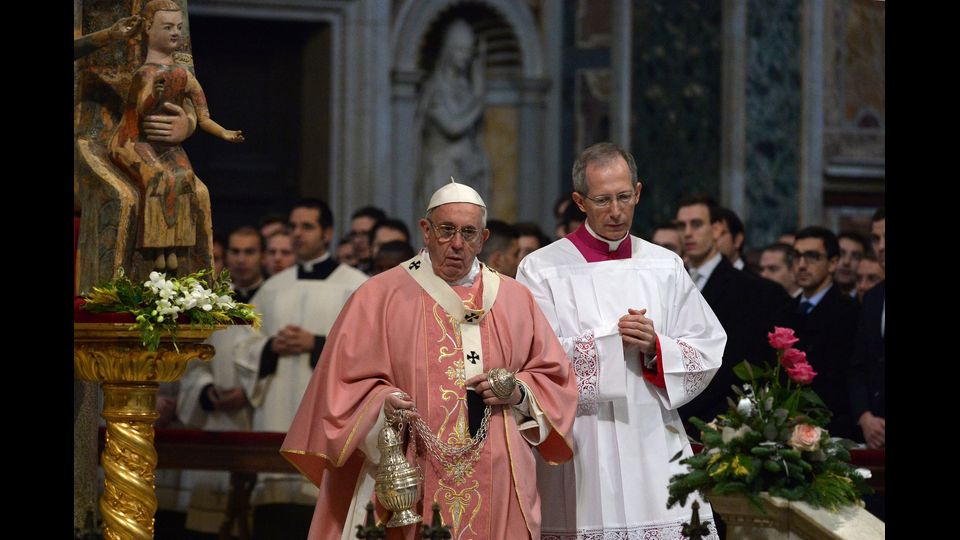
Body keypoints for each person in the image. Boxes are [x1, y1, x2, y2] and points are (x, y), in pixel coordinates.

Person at [282, 180, 577, 539]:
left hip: (499, 472)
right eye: (446, 230)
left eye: (469, 233)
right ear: (425, 230)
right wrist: (380, 402)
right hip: (410, 469)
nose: (457, 244)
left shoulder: (515, 299)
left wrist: (517, 392)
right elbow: (341, 386)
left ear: (483, 239)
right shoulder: (380, 296)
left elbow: (554, 379)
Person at [516, 143, 725, 539]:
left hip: (651, 433)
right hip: (581, 439)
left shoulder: (664, 265)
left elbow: (707, 345)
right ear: (579, 201)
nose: (616, 211)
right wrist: (610, 343)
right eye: (603, 200)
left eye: (625, 197)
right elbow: (534, 360)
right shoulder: (542, 269)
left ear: (639, 193)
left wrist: (656, 346)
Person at [234, 199, 369, 538]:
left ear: (327, 233)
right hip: (276, 410)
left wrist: (317, 344)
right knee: (273, 521)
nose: (297, 234)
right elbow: (244, 347)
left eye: (306, 227)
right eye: (292, 227)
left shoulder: (355, 284)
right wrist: (269, 347)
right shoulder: (272, 287)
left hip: (326, 414)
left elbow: (367, 351)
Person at [108, 0, 243, 273]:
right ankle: (156, 249)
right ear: (148, 28)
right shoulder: (144, 73)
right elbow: (137, 110)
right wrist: (155, 93)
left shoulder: (182, 74)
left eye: (178, 27)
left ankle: (175, 250)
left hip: (166, 144)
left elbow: (201, 115)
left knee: (185, 179)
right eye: (167, 27)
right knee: (158, 177)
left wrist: (217, 131)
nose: (175, 33)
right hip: (131, 140)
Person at [774, 226, 860, 439]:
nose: (802, 265)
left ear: (832, 263)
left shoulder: (850, 312)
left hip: (831, 428)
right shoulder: (783, 310)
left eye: (812, 257)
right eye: (797, 256)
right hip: (784, 427)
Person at [415, 19, 491, 214]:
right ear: (449, 51)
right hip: (443, 166)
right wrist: (478, 106)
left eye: (468, 53)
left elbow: (477, 96)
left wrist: (479, 66)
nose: (465, 58)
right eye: (460, 51)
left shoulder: (466, 87)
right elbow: (453, 127)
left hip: (468, 166)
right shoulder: (435, 89)